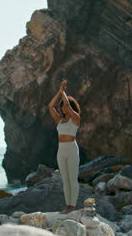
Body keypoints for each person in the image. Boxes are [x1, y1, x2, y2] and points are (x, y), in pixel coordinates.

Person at [48, 79, 81, 214]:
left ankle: (73, 206)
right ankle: (67, 205)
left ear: (71, 107)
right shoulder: (60, 120)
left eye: (66, 106)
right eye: (61, 106)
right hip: (61, 150)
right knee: (65, 180)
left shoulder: (76, 118)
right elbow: (50, 106)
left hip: (72, 149)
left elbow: (67, 103)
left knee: (73, 178)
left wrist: (64, 93)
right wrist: (59, 92)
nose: (63, 107)